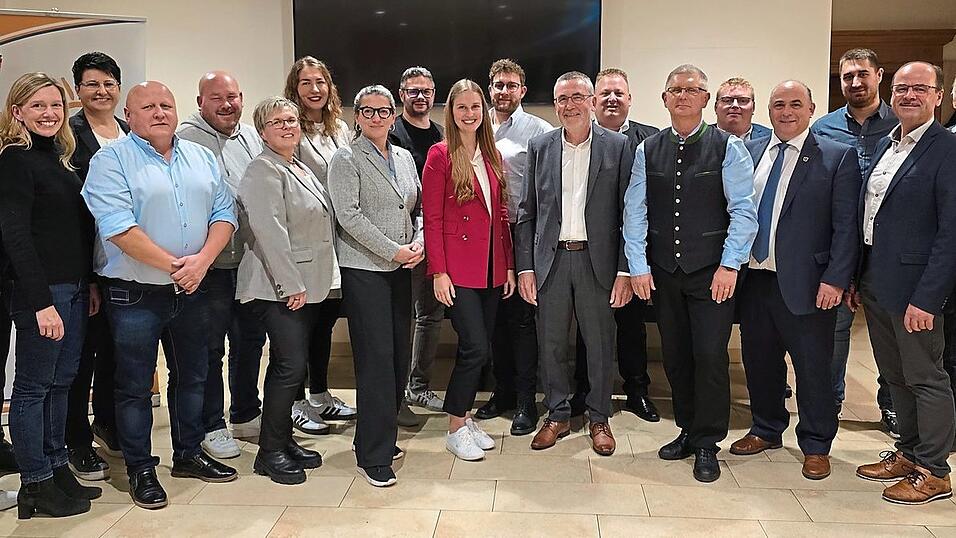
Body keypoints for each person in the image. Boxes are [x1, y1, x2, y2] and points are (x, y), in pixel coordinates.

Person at [82, 81, 238, 510]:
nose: (159, 112)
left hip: (193, 288)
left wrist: (202, 262)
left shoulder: (201, 156)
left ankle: (188, 454)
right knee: (134, 385)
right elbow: (117, 227)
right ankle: (141, 468)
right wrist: (178, 266)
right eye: (147, 106)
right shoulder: (110, 160)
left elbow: (224, 213)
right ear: (128, 117)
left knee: (194, 375)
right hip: (135, 293)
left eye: (166, 105)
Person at [624, 64, 757, 483]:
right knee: (676, 357)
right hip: (664, 273)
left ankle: (707, 442)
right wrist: (639, 266)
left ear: (705, 98)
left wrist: (730, 265)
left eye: (692, 89)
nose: (683, 95)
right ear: (664, 99)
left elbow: (743, 213)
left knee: (709, 357)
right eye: (675, 90)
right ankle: (686, 429)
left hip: (711, 274)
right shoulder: (648, 149)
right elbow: (635, 212)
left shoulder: (728, 147)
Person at [730, 81, 861, 481]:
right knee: (760, 362)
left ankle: (817, 444)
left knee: (813, 368)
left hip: (809, 283)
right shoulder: (751, 152)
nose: (786, 112)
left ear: (811, 108)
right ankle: (767, 429)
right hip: (755, 281)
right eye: (778, 105)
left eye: (795, 104)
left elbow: (846, 228)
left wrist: (836, 280)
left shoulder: (836, 157)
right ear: (768, 111)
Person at [853, 62, 956, 505]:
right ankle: (909, 452)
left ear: (939, 95)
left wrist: (929, 297)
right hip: (878, 281)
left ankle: (934, 470)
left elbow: (951, 232)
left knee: (925, 377)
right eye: (902, 89)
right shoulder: (889, 144)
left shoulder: (946, 150)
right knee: (894, 375)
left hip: (916, 291)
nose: (909, 96)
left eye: (920, 89)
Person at [0, 72, 100, 518]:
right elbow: (15, 234)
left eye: (55, 105)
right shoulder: (14, 160)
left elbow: (72, 232)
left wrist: (90, 283)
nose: (48, 113)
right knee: (33, 388)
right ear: (17, 111)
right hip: (43, 292)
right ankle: (35, 483)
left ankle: (57, 466)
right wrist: (41, 301)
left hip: (75, 287)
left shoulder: (59, 157)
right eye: (37, 105)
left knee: (62, 383)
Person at [517, 71, 633, 457]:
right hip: (550, 262)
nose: (571, 105)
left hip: (597, 262)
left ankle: (600, 416)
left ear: (592, 101)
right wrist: (525, 267)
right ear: (555, 105)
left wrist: (624, 269)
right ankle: (558, 413)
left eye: (578, 97)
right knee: (551, 344)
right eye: (563, 99)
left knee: (599, 343)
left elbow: (628, 214)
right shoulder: (540, 147)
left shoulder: (617, 147)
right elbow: (527, 211)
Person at [328, 85, 423, 487]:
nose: (378, 118)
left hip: (402, 270)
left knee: (400, 356)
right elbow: (347, 216)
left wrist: (418, 241)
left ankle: (375, 437)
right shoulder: (345, 158)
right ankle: (373, 457)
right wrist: (394, 251)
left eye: (385, 111)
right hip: (366, 271)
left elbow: (414, 205)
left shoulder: (402, 156)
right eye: (369, 111)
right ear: (358, 116)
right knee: (376, 363)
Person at [236, 97, 332, 484]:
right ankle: (270, 452)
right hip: (278, 286)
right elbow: (270, 232)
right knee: (289, 366)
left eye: (291, 119)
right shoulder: (262, 170)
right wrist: (290, 284)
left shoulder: (295, 165)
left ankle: (282, 440)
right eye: (277, 122)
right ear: (262, 131)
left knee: (288, 365)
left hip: (303, 282)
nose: (288, 126)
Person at [422, 79, 515, 461]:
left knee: (483, 347)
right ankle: (455, 426)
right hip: (458, 270)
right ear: (451, 111)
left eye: (476, 106)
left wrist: (508, 266)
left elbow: (502, 216)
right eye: (462, 107)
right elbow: (432, 217)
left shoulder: (492, 155)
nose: (470, 113)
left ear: (484, 110)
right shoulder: (440, 154)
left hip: (492, 267)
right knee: (474, 348)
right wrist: (438, 271)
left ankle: (465, 416)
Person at [178, 71, 266, 457]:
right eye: (216, 97)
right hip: (208, 265)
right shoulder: (185, 139)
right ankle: (211, 425)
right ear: (200, 102)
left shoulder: (250, 135)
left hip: (247, 260)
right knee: (209, 349)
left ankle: (246, 413)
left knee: (250, 342)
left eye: (232, 96)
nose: (226, 104)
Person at [811, 48, 899, 434]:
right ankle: (830, 402)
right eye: (848, 76)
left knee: (890, 331)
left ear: (879, 76)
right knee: (836, 329)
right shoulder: (823, 128)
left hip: (888, 247)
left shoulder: (901, 124)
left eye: (863, 74)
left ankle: (892, 405)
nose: (856, 82)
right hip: (841, 243)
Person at [574, 67, 661, 423]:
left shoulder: (651, 139)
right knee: (584, 327)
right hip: (587, 253)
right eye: (605, 93)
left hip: (633, 254)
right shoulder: (576, 138)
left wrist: (633, 262)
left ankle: (637, 390)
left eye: (618, 93)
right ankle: (584, 391)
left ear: (629, 99)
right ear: (594, 101)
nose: (612, 99)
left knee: (630, 325)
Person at [475, 58, 551, 436]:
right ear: (490, 88)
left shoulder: (539, 131)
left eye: (511, 85)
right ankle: (501, 392)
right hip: (483, 239)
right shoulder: (475, 126)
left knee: (522, 321)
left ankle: (525, 401)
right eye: (497, 85)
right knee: (493, 322)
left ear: (522, 90)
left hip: (521, 234)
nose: (503, 91)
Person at [62, 52, 128, 482]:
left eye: (108, 83)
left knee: (115, 352)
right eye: (91, 84)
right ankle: (77, 441)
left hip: (123, 261)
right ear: (77, 90)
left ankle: (107, 421)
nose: (101, 91)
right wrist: (86, 277)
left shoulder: (128, 131)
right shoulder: (68, 133)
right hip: (84, 260)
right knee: (81, 357)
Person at [283, 56, 355, 435]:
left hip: (338, 241)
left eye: (321, 82)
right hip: (306, 240)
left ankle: (321, 394)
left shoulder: (340, 128)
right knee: (300, 326)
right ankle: (295, 403)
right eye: (306, 82)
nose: (315, 89)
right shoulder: (290, 129)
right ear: (295, 88)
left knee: (324, 323)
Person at [388, 66, 446, 425]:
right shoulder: (389, 132)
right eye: (413, 91)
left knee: (431, 314)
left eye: (426, 90)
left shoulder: (441, 134)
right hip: (397, 246)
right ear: (401, 94)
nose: (420, 96)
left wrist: (427, 238)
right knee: (400, 320)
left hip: (433, 240)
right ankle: (395, 397)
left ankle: (419, 385)